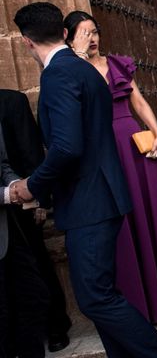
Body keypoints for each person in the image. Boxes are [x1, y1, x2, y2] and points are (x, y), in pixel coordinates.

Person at [12, 2, 157, 358]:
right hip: (103, 194)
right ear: (64, 33)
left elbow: (66, 147)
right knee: (102, 292)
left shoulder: (58, 74)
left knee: (95, 297)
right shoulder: (85, 71)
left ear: (26, 42)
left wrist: (32, 185)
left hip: (88, 200)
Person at [63, 10, 157, 324]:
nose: (92, 38)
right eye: (84, 33)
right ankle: (139, 304)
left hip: (131, 146)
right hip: (100, 151)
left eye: (94, 31)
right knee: (120, 224)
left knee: (152, 215)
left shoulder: (117, 63)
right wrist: (79, 60)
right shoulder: (68, 71)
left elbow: (137, 101)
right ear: (69, 38)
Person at [0, 89, 72, 352]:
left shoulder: (12, 101)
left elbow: (19, 156)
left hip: (18, 209)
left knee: (36, 279)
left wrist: (32, 194)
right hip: (7, 204)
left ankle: (54, 327)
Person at [1, 124, 50, 358]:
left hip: (7, 232)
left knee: (34, 296)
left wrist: (16, 185)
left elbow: (3, 165)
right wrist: (5, 194)